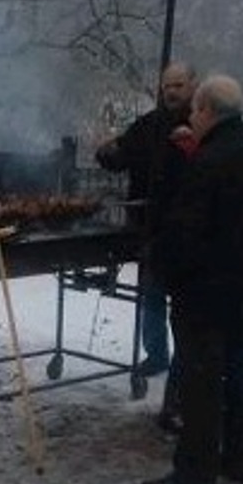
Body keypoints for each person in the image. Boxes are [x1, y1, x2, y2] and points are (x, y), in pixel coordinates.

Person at [142, 75, 243, 484]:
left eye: (194, 111)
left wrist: (162, 268)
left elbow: (185, 233)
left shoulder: (207, 163)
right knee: (242, 383)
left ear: (206, 111)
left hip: (204, 298)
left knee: (200, 389)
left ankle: (194, 476)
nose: (190, 117)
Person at [95, 63, 196, 437]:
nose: (172, 91)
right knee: (150, 294)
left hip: (186, 232)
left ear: (192, 87)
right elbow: (119, 159)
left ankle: (183, 369)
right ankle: (157, 354)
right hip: (148, 229)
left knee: (182, 304)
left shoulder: (202, 123)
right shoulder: (148, 125)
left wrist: (192, 147)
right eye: (167, 85)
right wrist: (106, 151)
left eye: (179, 85)